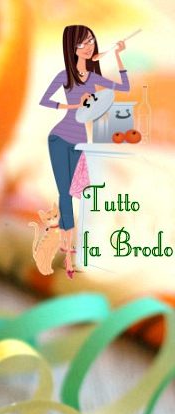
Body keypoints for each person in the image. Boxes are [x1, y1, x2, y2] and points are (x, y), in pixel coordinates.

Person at [38, 24, 129, 277]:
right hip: (60, 138)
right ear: (72, 48)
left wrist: (119, 56)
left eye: (91, 41)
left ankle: (78, 252)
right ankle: (68, 259)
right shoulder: (64, 76)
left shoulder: (94, 77)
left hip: (81, 140)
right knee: (66, 196)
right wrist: (71, 106)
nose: (89, 46)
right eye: (83, 43)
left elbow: (123, 87)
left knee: (84, 192)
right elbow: (45, 100)